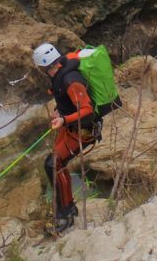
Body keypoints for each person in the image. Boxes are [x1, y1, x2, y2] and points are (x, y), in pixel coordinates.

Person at [33, 42, 100, 234]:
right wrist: (59, 112)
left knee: (52, 164)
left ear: (44, 66)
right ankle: (68, 207)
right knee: (55, 163)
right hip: (72, 127)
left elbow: (87, 111)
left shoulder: (71, 80)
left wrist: (64, 120)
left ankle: (65, 216)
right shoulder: (59, 74)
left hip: (84, 130)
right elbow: (66, 101)